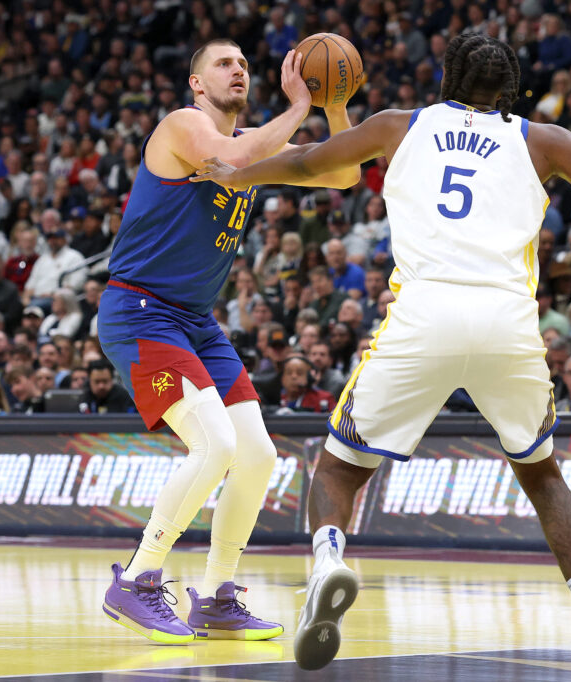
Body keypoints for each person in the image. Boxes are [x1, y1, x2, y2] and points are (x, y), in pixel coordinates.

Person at [194, 32, 571, 674]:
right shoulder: (544, 140)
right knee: (542, 475)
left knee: (339, 468)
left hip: (423, 317)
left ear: (446, 77)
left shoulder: (398, 126)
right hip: (506, 324)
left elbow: (309, 163)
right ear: (509, 87)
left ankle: (326, 564)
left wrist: (239, 173)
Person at [96, 39, 358, 645]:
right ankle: (136, 580)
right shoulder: (183, 126)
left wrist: (336, 104)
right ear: (196, 83)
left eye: (243, 64)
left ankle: (216, 598)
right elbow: (233, 152)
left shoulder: (252, 153)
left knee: (258, 455)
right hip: (140, 313)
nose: (238, 69)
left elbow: (343, 173)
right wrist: (299, 106)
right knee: (212, 445)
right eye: (223, 63)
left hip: (194, 320)